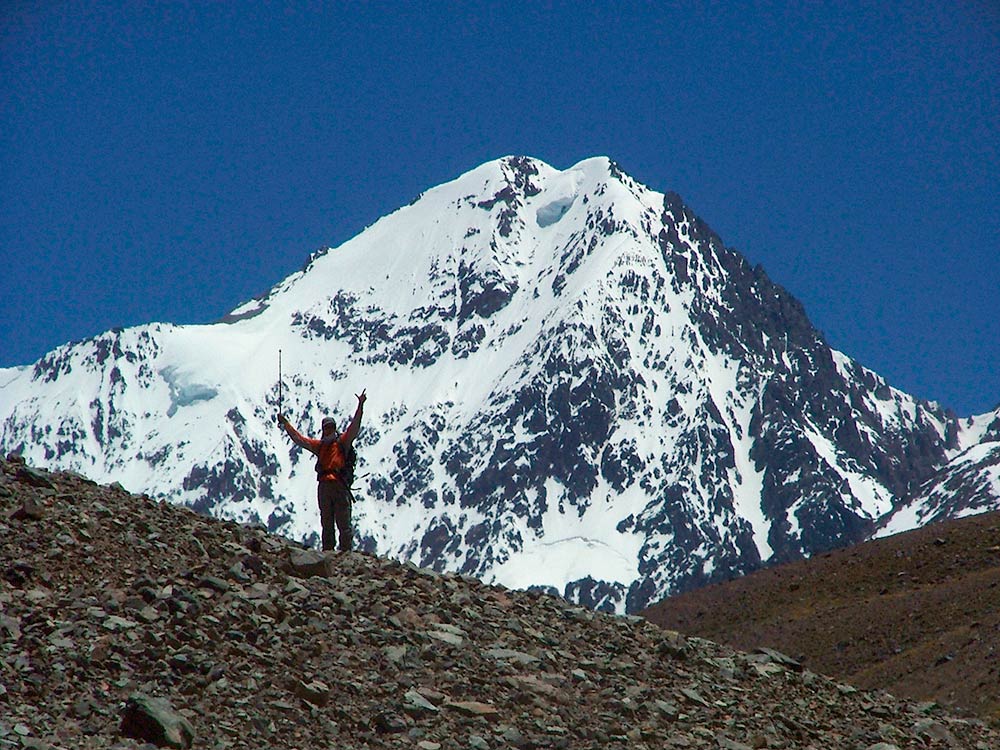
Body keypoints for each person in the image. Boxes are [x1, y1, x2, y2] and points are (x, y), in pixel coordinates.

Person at [278, 390, 366, 552]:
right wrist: (286, 424)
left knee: (339, 522)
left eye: (330, 427)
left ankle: (341, 552)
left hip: (334, 485)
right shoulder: (327, 445)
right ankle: (333, 552)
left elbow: (354, 427)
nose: (329, 430)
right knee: (329, 522)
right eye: (327, 428)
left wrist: (360, 406)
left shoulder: (337, 443)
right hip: (332, 486)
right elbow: (299, 439)